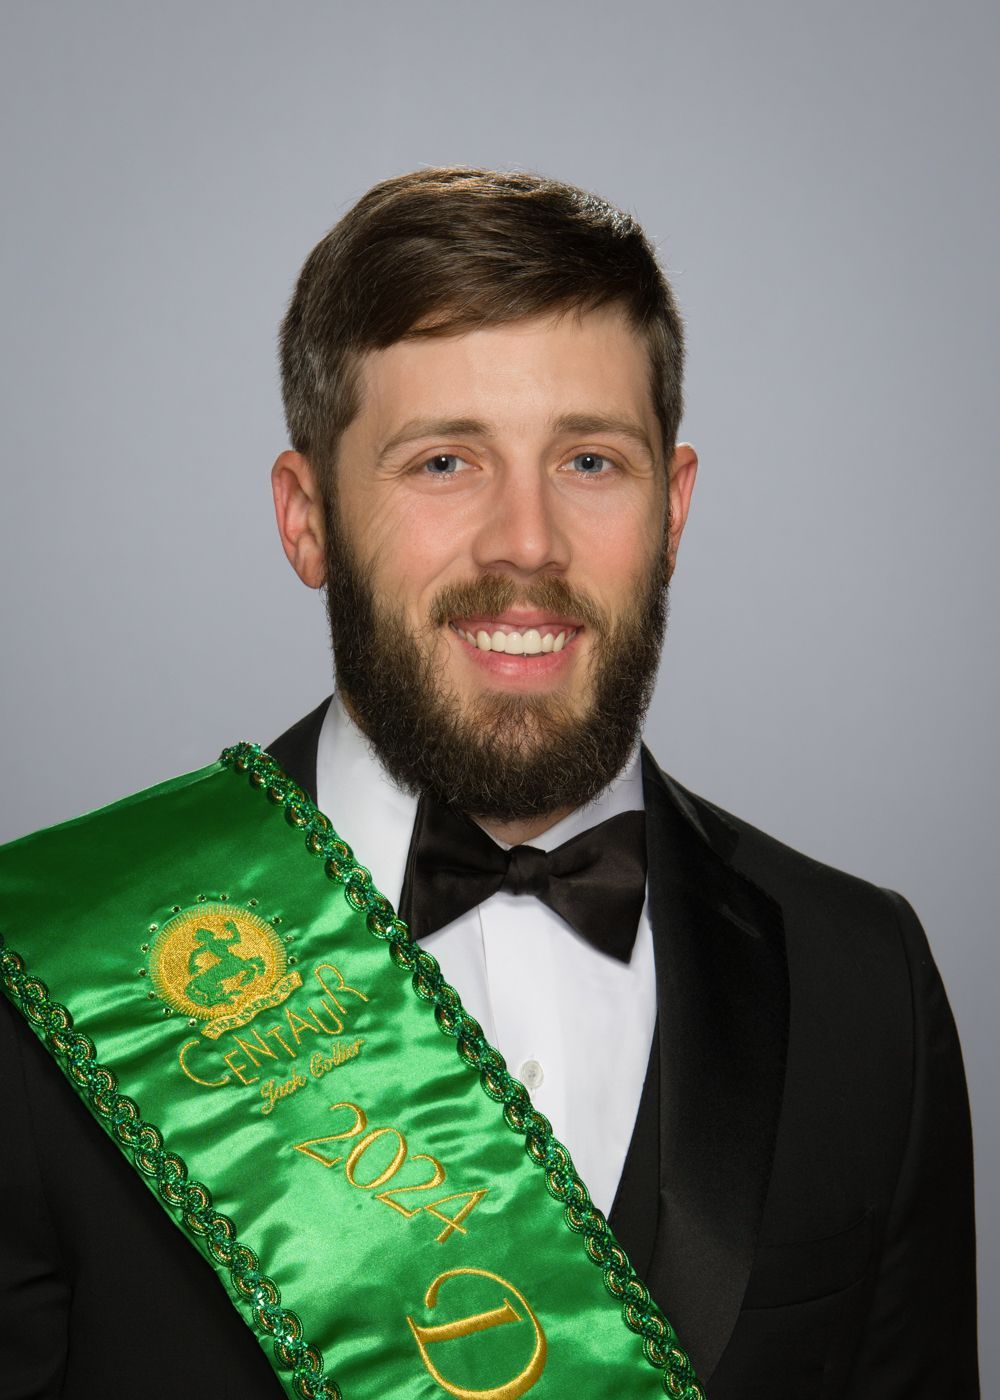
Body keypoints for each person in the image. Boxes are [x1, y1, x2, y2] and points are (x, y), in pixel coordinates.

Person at [0, 168, 978, 1398]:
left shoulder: (860, 978)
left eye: (588, 460)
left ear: (673, 509)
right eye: (446, 461)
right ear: (307, 519)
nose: (527, 540)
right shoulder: (54, 964)